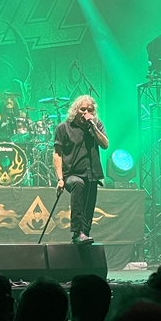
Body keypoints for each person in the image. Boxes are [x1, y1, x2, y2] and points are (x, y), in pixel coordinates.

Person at [53, 95, 108, 244]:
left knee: (89, 207)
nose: (86, 112)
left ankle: (83, 236)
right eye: (82, 109)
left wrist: (93, 127)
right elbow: (57, 154)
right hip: (71, 175)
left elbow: (105, 145)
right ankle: (77, 231)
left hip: (92, 174)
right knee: (78, 184)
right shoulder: (64, 127)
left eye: (90, 110)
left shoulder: (96, 125)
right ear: (75, 110)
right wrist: (60, 179)